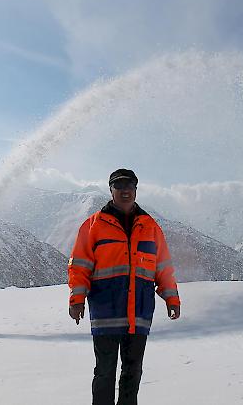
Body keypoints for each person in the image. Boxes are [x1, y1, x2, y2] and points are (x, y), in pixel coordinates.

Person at [68, 168, 181, 405]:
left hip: (138, 315)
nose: (125, 191)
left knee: (133, 373)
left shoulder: (150, 226)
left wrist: (172, 298)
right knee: (104, 373)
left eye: (129, 186)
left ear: (136, 190)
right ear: (111, 190)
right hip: (106, 314)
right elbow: (80, 265)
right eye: (119, 186)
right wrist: (76, 299)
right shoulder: (93, 226)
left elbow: (163, 267)